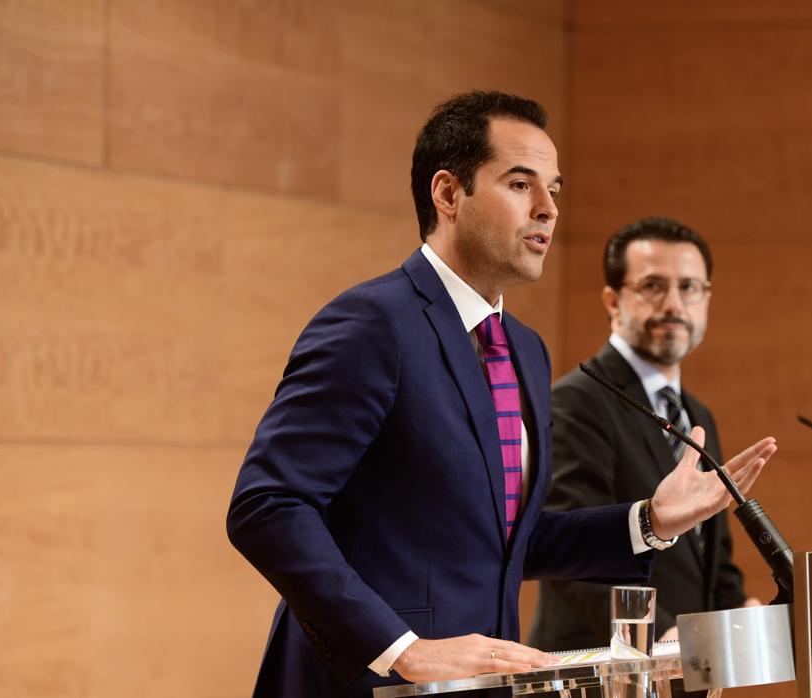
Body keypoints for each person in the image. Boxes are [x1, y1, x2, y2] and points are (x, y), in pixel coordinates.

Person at [225, 91, 777, 698]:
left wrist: (648, 522)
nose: (547, 209)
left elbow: (508, 541)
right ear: (447, 194)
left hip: (491, 681)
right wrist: (403, 650)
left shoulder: (524, 347)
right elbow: (268, 506)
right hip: (367, 684)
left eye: (555, 190)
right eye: (521, 185)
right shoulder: (372, 324)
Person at [529, 218, 761, 654]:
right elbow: (568, 556)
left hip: (682, 670)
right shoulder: (575, 402)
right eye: (654, 286)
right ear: (613, 301)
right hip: (601, 669)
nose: (674, 304)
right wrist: (661, 635)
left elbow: (709, 553)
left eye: (690, 287)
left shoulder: (695, 411)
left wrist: (741, 607)